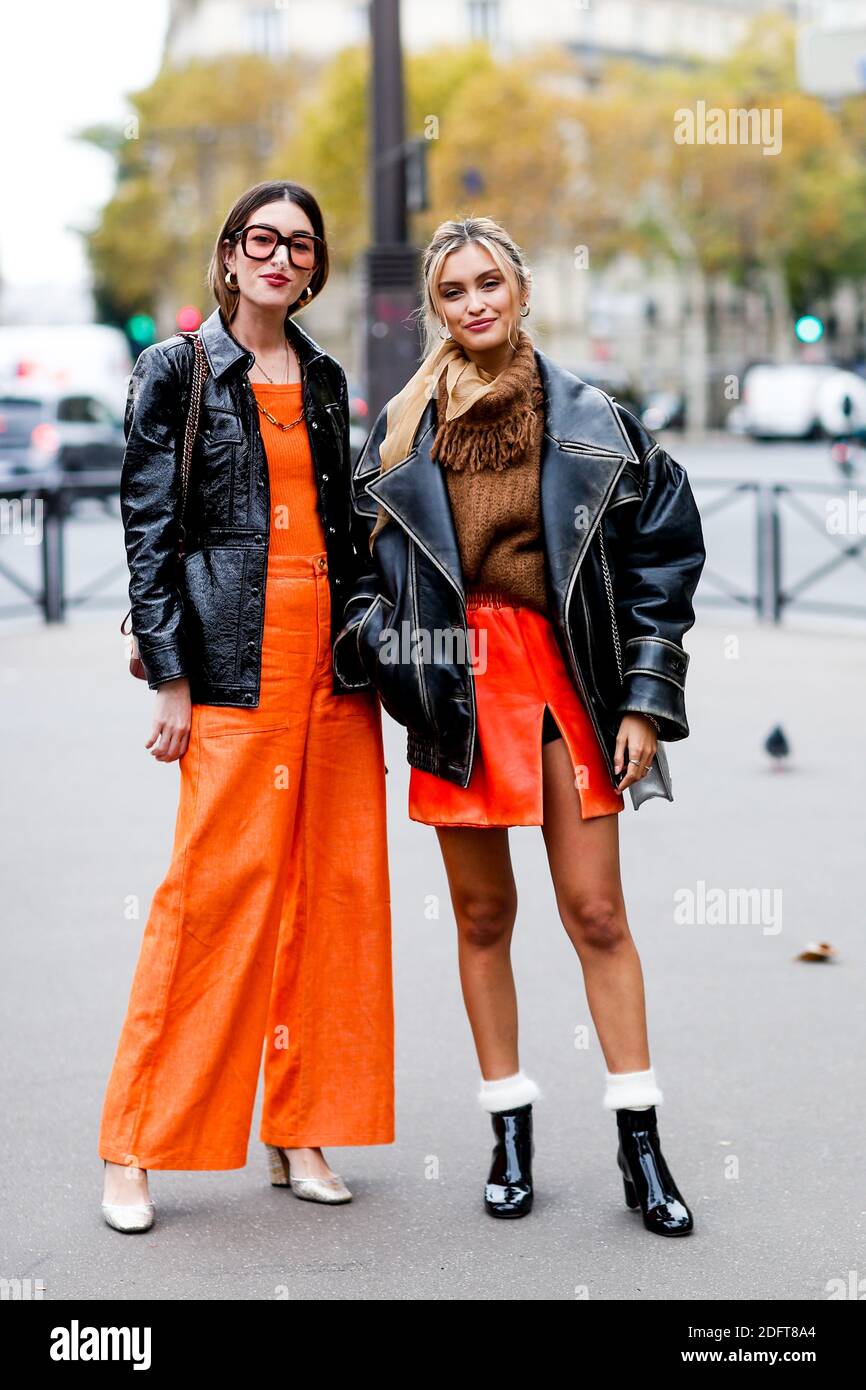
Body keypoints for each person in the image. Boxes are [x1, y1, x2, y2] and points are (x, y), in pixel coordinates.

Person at [333, 216, 706, 1236]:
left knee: (595, 913)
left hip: (565, 681)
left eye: (487, 281)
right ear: (436, 309)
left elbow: (660, 560)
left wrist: (643, 698)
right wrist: (391, 647)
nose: (473, 302)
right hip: (452, 687)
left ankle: (640, 1140)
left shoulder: (595, 421)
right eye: (452, 290)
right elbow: (356, 574)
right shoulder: (401, 429)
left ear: (522, 289)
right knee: (481, 919)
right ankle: (507, 1126)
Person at [99, 180, 393, 1232]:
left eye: (299, 245)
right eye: (260, 239)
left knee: (329, 898)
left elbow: (347, 522)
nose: (278, 257)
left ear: (313, 269)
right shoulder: (174, 369)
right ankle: (136, 1141)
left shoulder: (319, 374)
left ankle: (297, 1123)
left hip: (330, 670)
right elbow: (147, 532)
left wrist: (373, 634)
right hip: (231, 659)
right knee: (211, 901)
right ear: (228, 255)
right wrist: (171, 672)